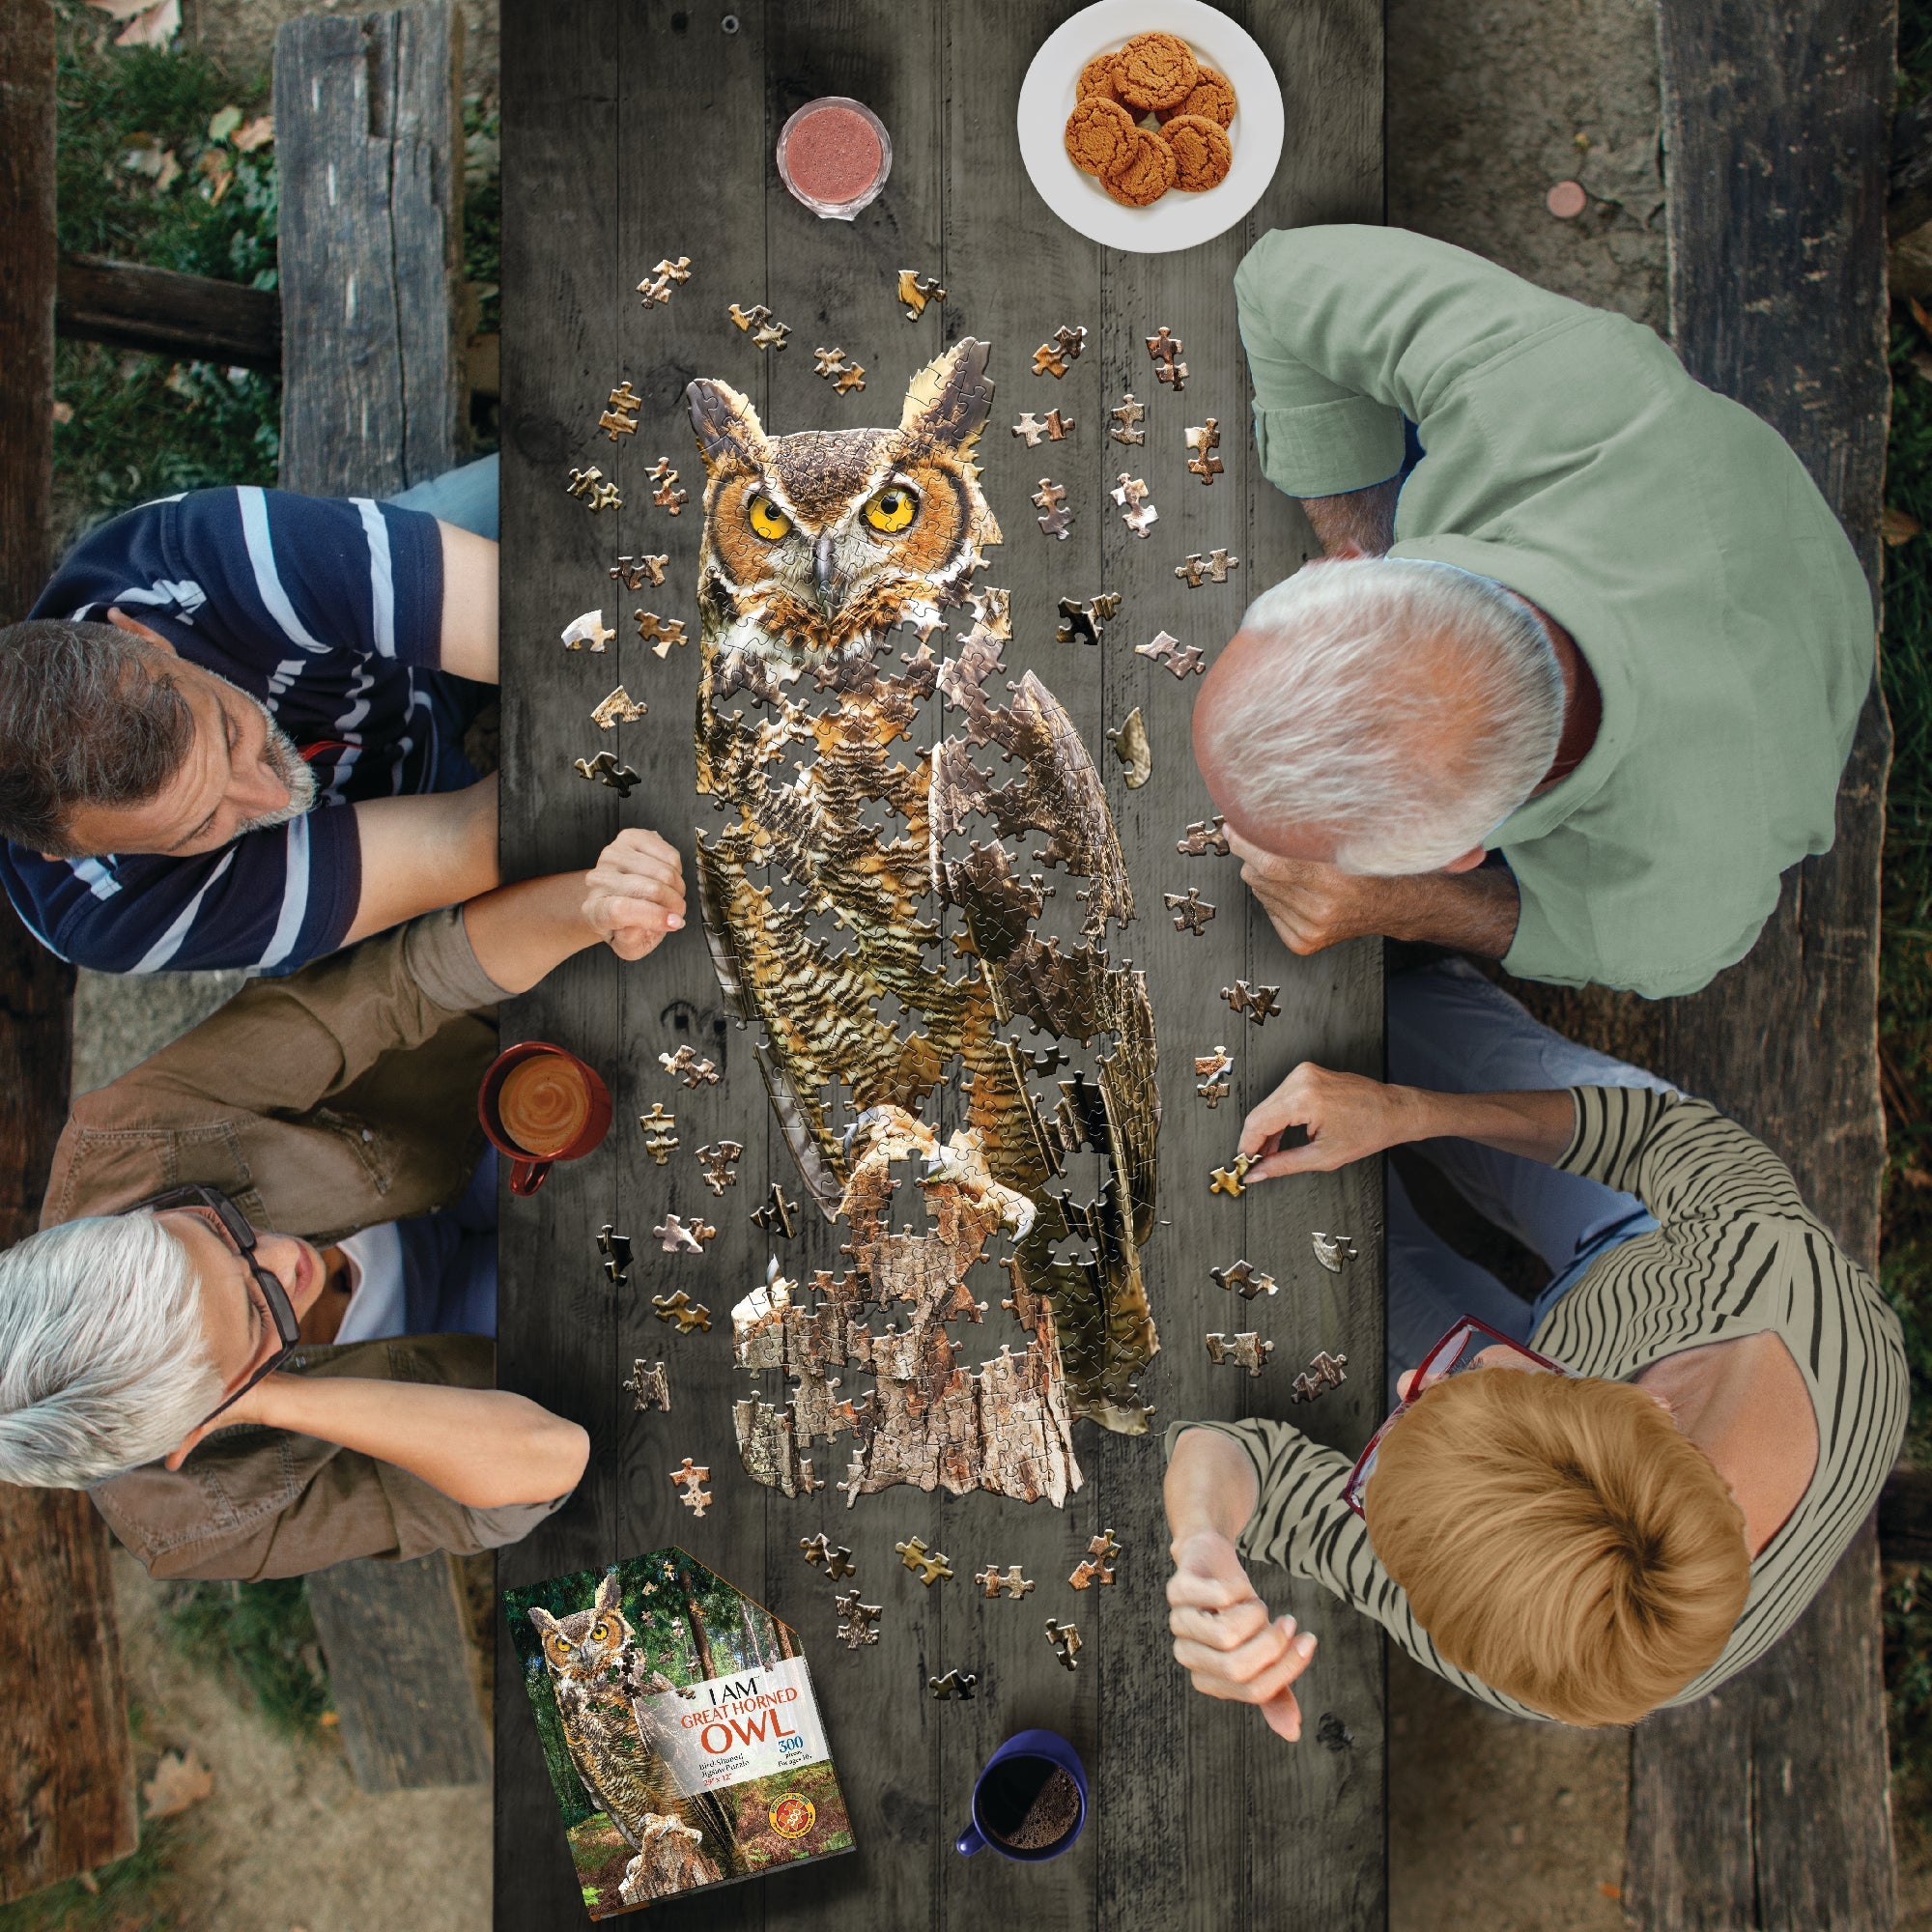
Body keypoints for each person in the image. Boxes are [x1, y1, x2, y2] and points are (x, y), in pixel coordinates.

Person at [1162, 959, 1908, 1732]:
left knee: (1320, 1239)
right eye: (1471, 1376)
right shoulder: (1767, 1262)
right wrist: (1409, 1110)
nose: (1414, 1377)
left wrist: (1203, 1538)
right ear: (1634, 1395)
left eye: (1403, 1423)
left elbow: (1278, 1491)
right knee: (1393, 1007)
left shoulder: (1522, 1631)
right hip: (1649, 1237)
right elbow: (1652, 1136)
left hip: (1605, 1358)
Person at [1190, 226, 1873, 999]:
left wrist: (1411, 906)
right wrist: (1358, 521)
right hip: (1702, 495)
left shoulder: (1690, 869)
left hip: (1799, 689)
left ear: (1462, 853)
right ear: (1348, 570)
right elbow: (1281, 279)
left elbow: (1684, 957)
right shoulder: (1553, 380)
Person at [0, 819, 687, 1580]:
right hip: (494, 1353)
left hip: (462, 1129)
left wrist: (590, 907)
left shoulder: (124, 1137)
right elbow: (550, 1458)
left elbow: (404, 981)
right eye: (261, 1314)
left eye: (219, 1227)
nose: (285, 1259)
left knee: (662, 1119)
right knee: (661, 1318)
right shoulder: (193, 1523)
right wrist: (274, 1403)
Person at [0, 458, 506, 974]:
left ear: (144, 639)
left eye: (229, 733)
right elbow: (460, 842)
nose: (274, 796)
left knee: (567, 468)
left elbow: (542, 629)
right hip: (384, 855)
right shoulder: (104, 916)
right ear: (71, 852)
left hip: (386, 653)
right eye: (202, 826)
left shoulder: (194, 555)